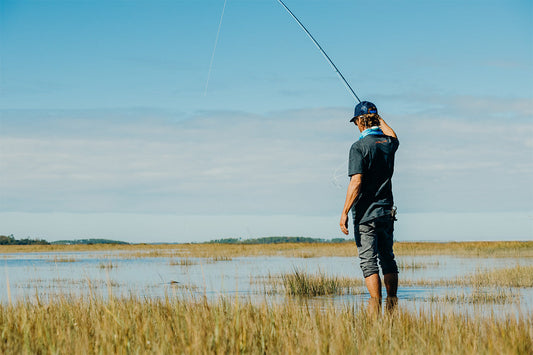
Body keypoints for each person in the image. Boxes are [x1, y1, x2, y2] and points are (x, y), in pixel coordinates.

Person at [339, 101, 399, 308]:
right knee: (387, 258)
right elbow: (394, 136)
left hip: (366, 214)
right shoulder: (389, 144)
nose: (356, 125)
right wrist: (379, 119)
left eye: (356, 121)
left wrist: (344, 212)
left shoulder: (358, 147)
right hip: (386, 212)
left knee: (368, 261)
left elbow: (356, 182)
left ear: (360, 121)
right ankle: (392, 304)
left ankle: (375, 307)